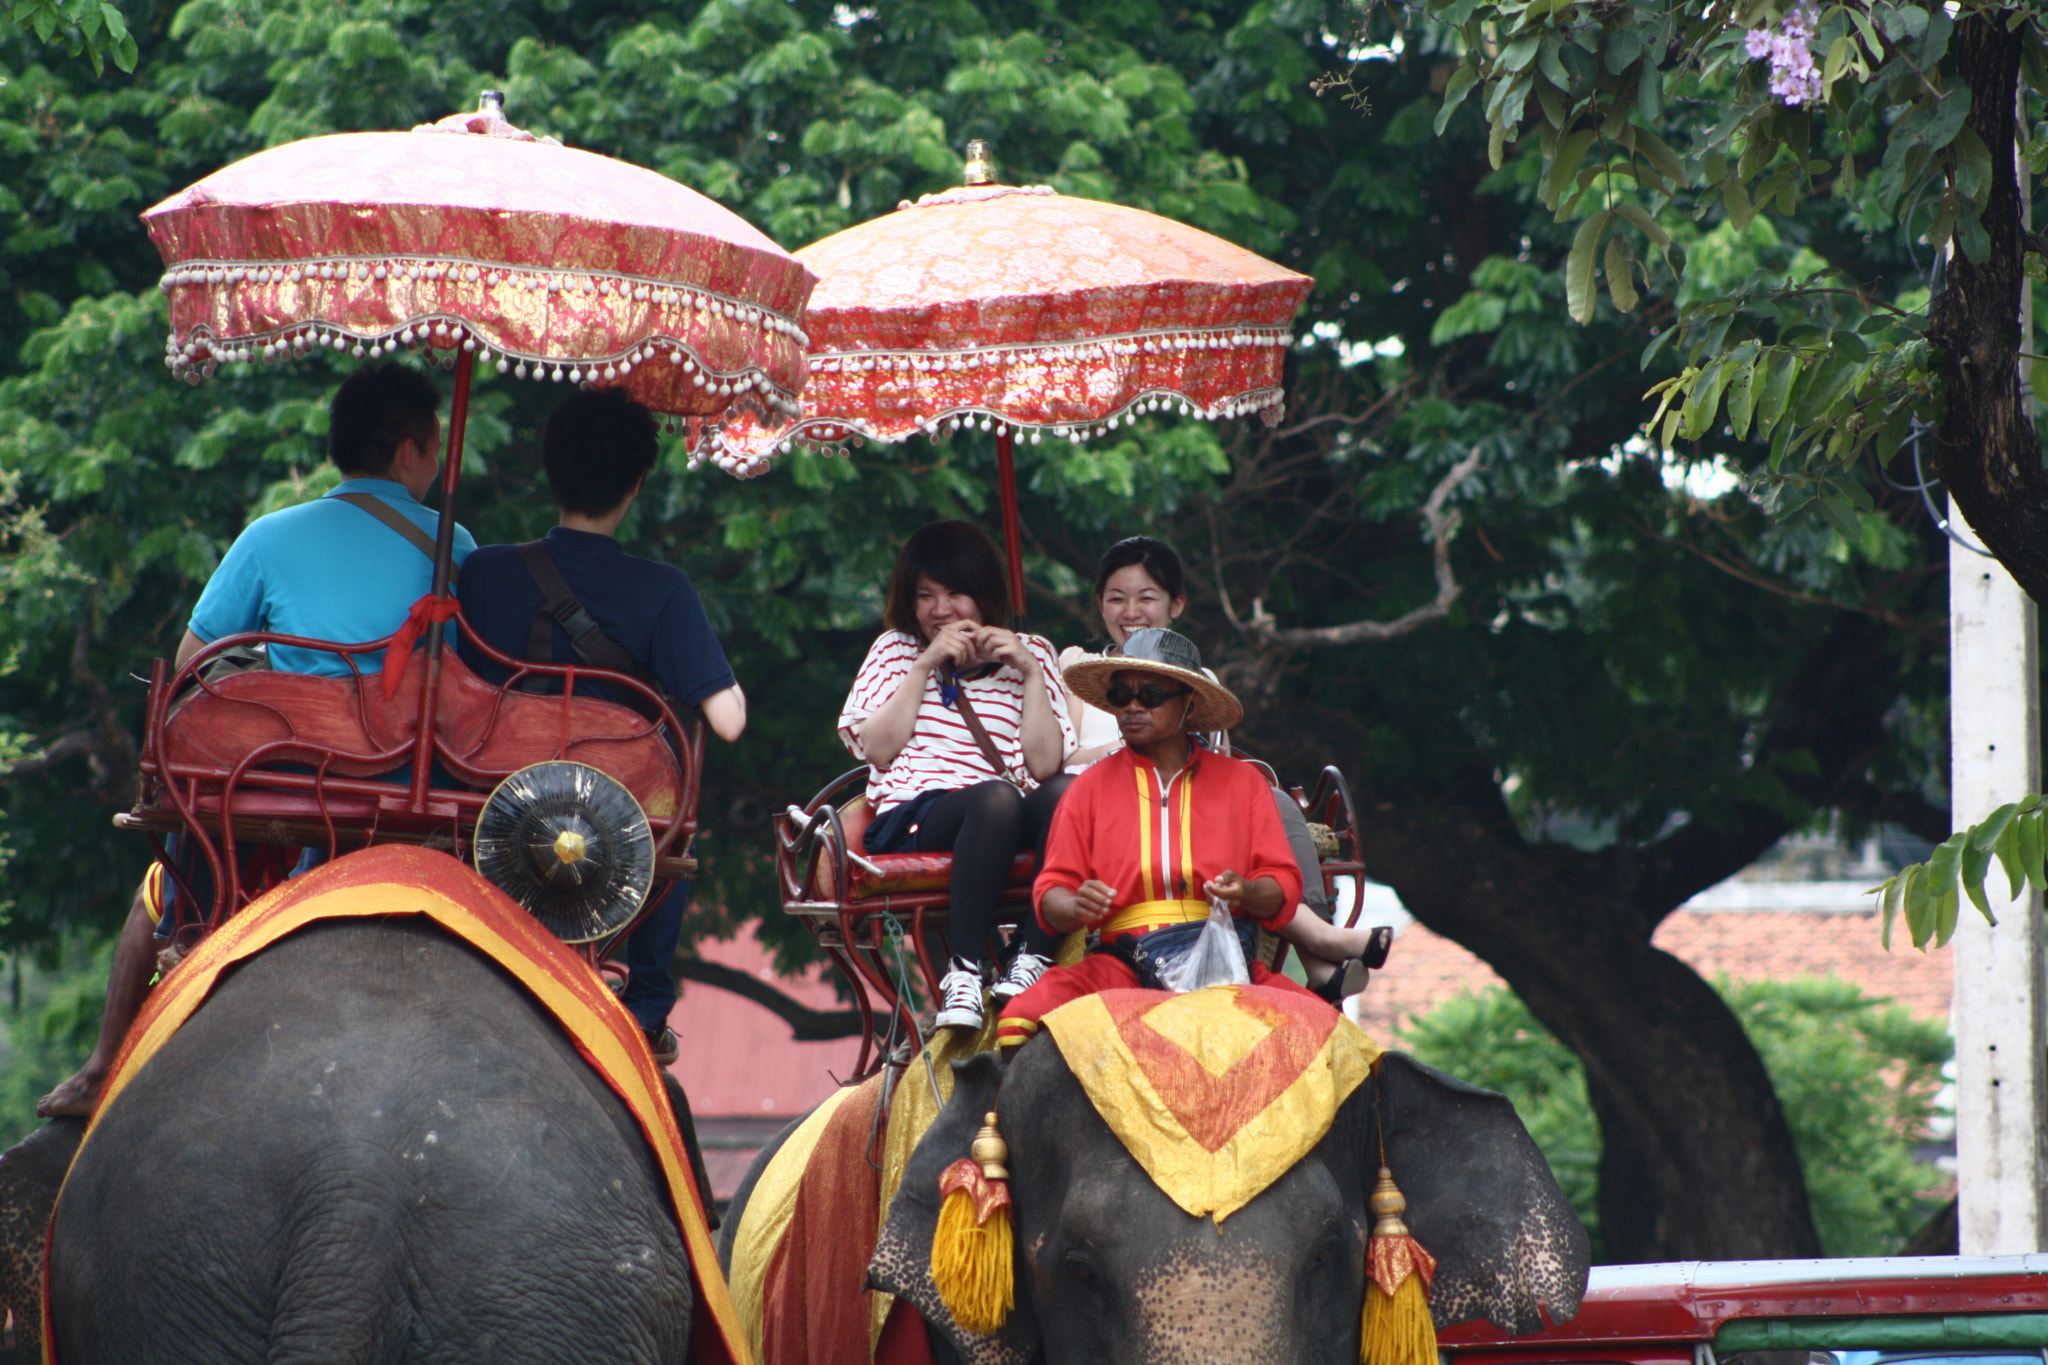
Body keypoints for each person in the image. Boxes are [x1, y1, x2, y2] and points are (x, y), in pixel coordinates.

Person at [39, 362, 473, 1117]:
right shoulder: (456, 547)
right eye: (433, 449)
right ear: (410, 452)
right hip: (419, 790)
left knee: (154, 893)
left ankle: (104, 1065)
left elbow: (188, 668)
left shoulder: (268, 537)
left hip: (295, 783)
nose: (435, 464)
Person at [457, 388, 747, 1063]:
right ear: (637, 484)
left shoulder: (484, 570)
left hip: (485, 803)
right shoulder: (664, 589)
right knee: (668, 818)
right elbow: (727, 723)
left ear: (550, 471)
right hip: (607, 827)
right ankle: (645, 1004)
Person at [1057, 537, 1382, 1000]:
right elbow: (1057, 761)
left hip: (1190, 805)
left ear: (1176, 605)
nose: (1131, 610)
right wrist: (1132, 741)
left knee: (1273, 803)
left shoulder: (1197, 680)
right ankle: (1321, 945)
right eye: (1116, 598)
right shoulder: (1080, 667)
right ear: (1100, 606)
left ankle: (1318, 949)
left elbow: (1217, 764)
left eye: (1146, 597)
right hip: (1111, 808)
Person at [994, 627, 1323, 1051]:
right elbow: (1051, 892)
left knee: (1324, 1033)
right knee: (1019, 1018)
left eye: (1149, 695)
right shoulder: (1086, 788)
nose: (1132, 707)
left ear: (1189, 702)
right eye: (1120, 696)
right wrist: (1074, 905)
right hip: (1119, 963)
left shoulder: (1244, 783)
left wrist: (1246, 890)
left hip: (1225, 962)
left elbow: (1282, 889)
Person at [839, 520, 1076, 1031]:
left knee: (1066, 793)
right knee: (995, 799)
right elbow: (876, 749)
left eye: (955, 594)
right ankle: (964, 972)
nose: (940, 610)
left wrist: (1031, 673)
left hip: (1005, 813)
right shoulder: (896, 650)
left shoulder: (1032, 652)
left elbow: (1044, 766)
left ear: (984, 595)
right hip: (918, 814)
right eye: (925, 596)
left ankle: (1031, 956)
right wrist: (925, 666)